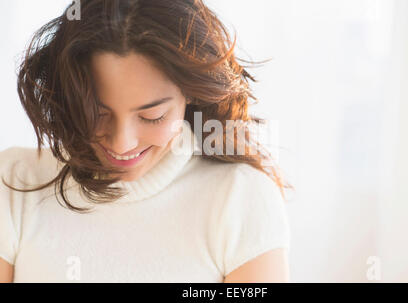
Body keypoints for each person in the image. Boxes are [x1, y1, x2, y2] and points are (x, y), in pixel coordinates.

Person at [0, 0, 293, 283]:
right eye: (96, 113)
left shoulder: (240, 196)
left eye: (152, 116)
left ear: (190, 95)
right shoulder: (15, 181)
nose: (122, 143)